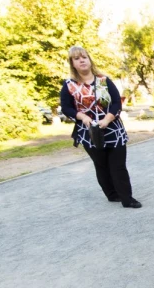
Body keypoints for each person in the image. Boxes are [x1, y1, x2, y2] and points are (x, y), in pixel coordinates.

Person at [60, 46, 141, 208]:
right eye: (77, 58)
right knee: (101, 165)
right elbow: (66, 108)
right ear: (72, 64)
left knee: (118, 166)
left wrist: (108, 118)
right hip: (89, 132)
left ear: (89, 60)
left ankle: (127, 198)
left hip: (112, 129)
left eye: (84, 57)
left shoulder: (103, 80)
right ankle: (111, 194)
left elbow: (117, 102)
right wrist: (82, 116)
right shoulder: (69, 85)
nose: (81, 60)